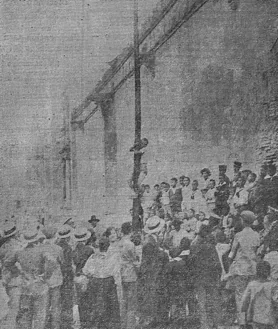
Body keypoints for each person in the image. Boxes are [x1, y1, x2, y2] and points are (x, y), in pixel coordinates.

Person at [5, 227, 50, 329]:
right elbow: (51, 263)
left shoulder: (19, 252)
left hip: (25, 285)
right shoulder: (42, 251)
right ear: (36, 239)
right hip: (40, 285)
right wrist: (45, 275)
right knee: (40, 315)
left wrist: (20, 272)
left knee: (25, 315)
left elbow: (8, 263)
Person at [228, 211, 260, 327]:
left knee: (240, 295)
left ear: (242, 220)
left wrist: (229, 265)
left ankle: (242, 321)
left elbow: (231, 254)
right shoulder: (256, 235)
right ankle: (250, 319)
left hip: (240, 269)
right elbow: (257, 252)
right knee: (251, 294)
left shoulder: (238, 235)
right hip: (252, 268)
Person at [137, 216, 169, 328]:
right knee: (155, 303)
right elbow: (152, 262)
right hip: (153, 278)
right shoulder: (149, 243)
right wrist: (164, 254)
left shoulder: (152, 240)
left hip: (154, 277)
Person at [83, 237, 121, 329]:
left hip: (95, 282)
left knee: (97, 306)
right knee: (110, 307)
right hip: (108, 283)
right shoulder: (113, 256)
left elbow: (85, 271)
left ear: (99, 246)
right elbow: (116, 272)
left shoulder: (93, 257)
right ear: (108, 246)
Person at [191, 224, 222, 329]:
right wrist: (218, 276)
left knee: (202, 302)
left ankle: (204, 325)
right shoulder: (210, 247)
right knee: (213, 300)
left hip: (199, 277)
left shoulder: (194, 245)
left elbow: (191, 262)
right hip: (211, 277)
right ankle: (215, 324)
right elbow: (217, 264)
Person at [0, 222, 23, 329]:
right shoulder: (17, 246)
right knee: (14, 307)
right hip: (15, 279)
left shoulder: (3, 246)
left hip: (5, 279)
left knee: (9, 305)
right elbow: (15, 264)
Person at [241, 261, 278, 329]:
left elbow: (244, 302)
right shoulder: (274, 285)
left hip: (255, 318)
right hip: (270, 319)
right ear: (269, 272)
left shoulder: (251, 284)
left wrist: (244, 319)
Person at [166, 237, 195, 323]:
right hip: (185, 283)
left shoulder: (171, 263)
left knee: (174, 300)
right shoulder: (188, 257)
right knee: (185, 299)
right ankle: (186, 317)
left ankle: (174, 316)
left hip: (174, 284)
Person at [41, 226, 64, 329]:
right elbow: (62, 262)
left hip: (43, 280)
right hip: (56, 280)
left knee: (44, 306)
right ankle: (55, 326)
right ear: (54, 236)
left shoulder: (40, 247)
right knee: (55, 306)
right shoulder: (58, 248)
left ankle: (44, 325)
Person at [72, 227, 94, 329]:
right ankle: (88, 322)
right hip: (87, 276)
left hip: (77, 276)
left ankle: (82, 322)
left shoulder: (74, 250)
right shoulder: (89, 249)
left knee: (80, 300)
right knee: (89, 299)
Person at [120, 222, 139, 329]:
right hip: (131, 275)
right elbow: (134, 260)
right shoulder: (130, 244)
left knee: (124, 301)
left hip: (122, 274)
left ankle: (123, 324)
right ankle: (130, 325)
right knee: (131, 303)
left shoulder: (119, 243)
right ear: (130, 231)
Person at [56, 225, 74, 329]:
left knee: (59, 300)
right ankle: (67, 323)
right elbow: (67, 265)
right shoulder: (67, 247)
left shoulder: (56, 245)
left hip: (58, 276)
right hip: (66, 277)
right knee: (67, 301)